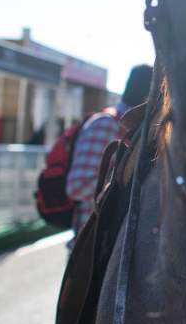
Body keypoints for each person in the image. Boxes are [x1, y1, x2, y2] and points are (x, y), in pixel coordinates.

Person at [65, 64, 152, 237]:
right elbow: (77, 186)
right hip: (93, 248)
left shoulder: (138, 128)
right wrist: (125, 180)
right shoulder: (106, 124)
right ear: (147, 94)